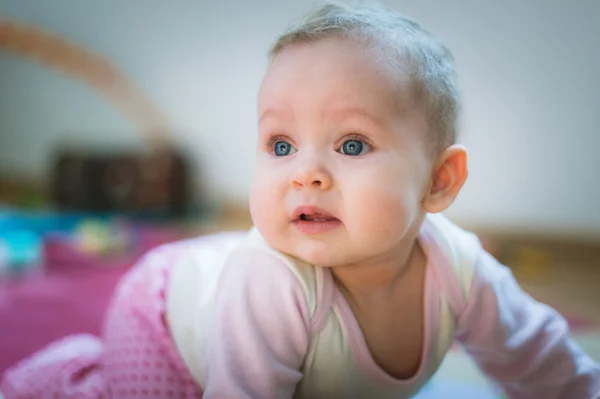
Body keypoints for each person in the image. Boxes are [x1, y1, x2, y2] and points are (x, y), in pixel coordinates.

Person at [2, 2, 599, 398]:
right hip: (162, 323)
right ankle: (70, 376)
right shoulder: (272, 282)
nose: (305, 174)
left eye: (352, 143)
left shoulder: (460, 270)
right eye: (281, 144)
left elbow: (543, 359)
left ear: (439, 181)